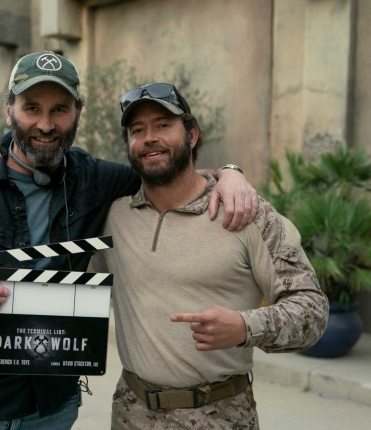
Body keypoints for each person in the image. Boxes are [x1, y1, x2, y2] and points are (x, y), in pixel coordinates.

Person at [0, 51, 257, 429]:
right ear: (9, 111)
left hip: (52, 409)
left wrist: (229, 174)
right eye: (32, 108)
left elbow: (172, 174)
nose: (46, 124)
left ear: (78, 112)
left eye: (60, 110)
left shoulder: (96, 180)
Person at [99, 83, 329, 429]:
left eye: (163, 125)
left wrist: (244, 327)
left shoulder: (247, 213)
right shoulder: (114, 215)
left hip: (220, 416)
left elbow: (312, 310)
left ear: (192, 134)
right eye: (137, 130)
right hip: (130, 414)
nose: (150, 138)